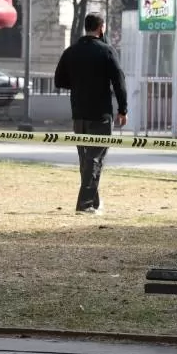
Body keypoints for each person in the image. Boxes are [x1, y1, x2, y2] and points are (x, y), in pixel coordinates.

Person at [55, 13, 128, 214]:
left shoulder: (71, 51)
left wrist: (79, 84)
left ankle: (94, 202)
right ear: (101, 27)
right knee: (95, 158)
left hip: (78, 112)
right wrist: (123, 109)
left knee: (86, 159)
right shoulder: (106, 51)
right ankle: (85, 204)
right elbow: (119, 82)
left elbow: (59, 81)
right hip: (100, 113)